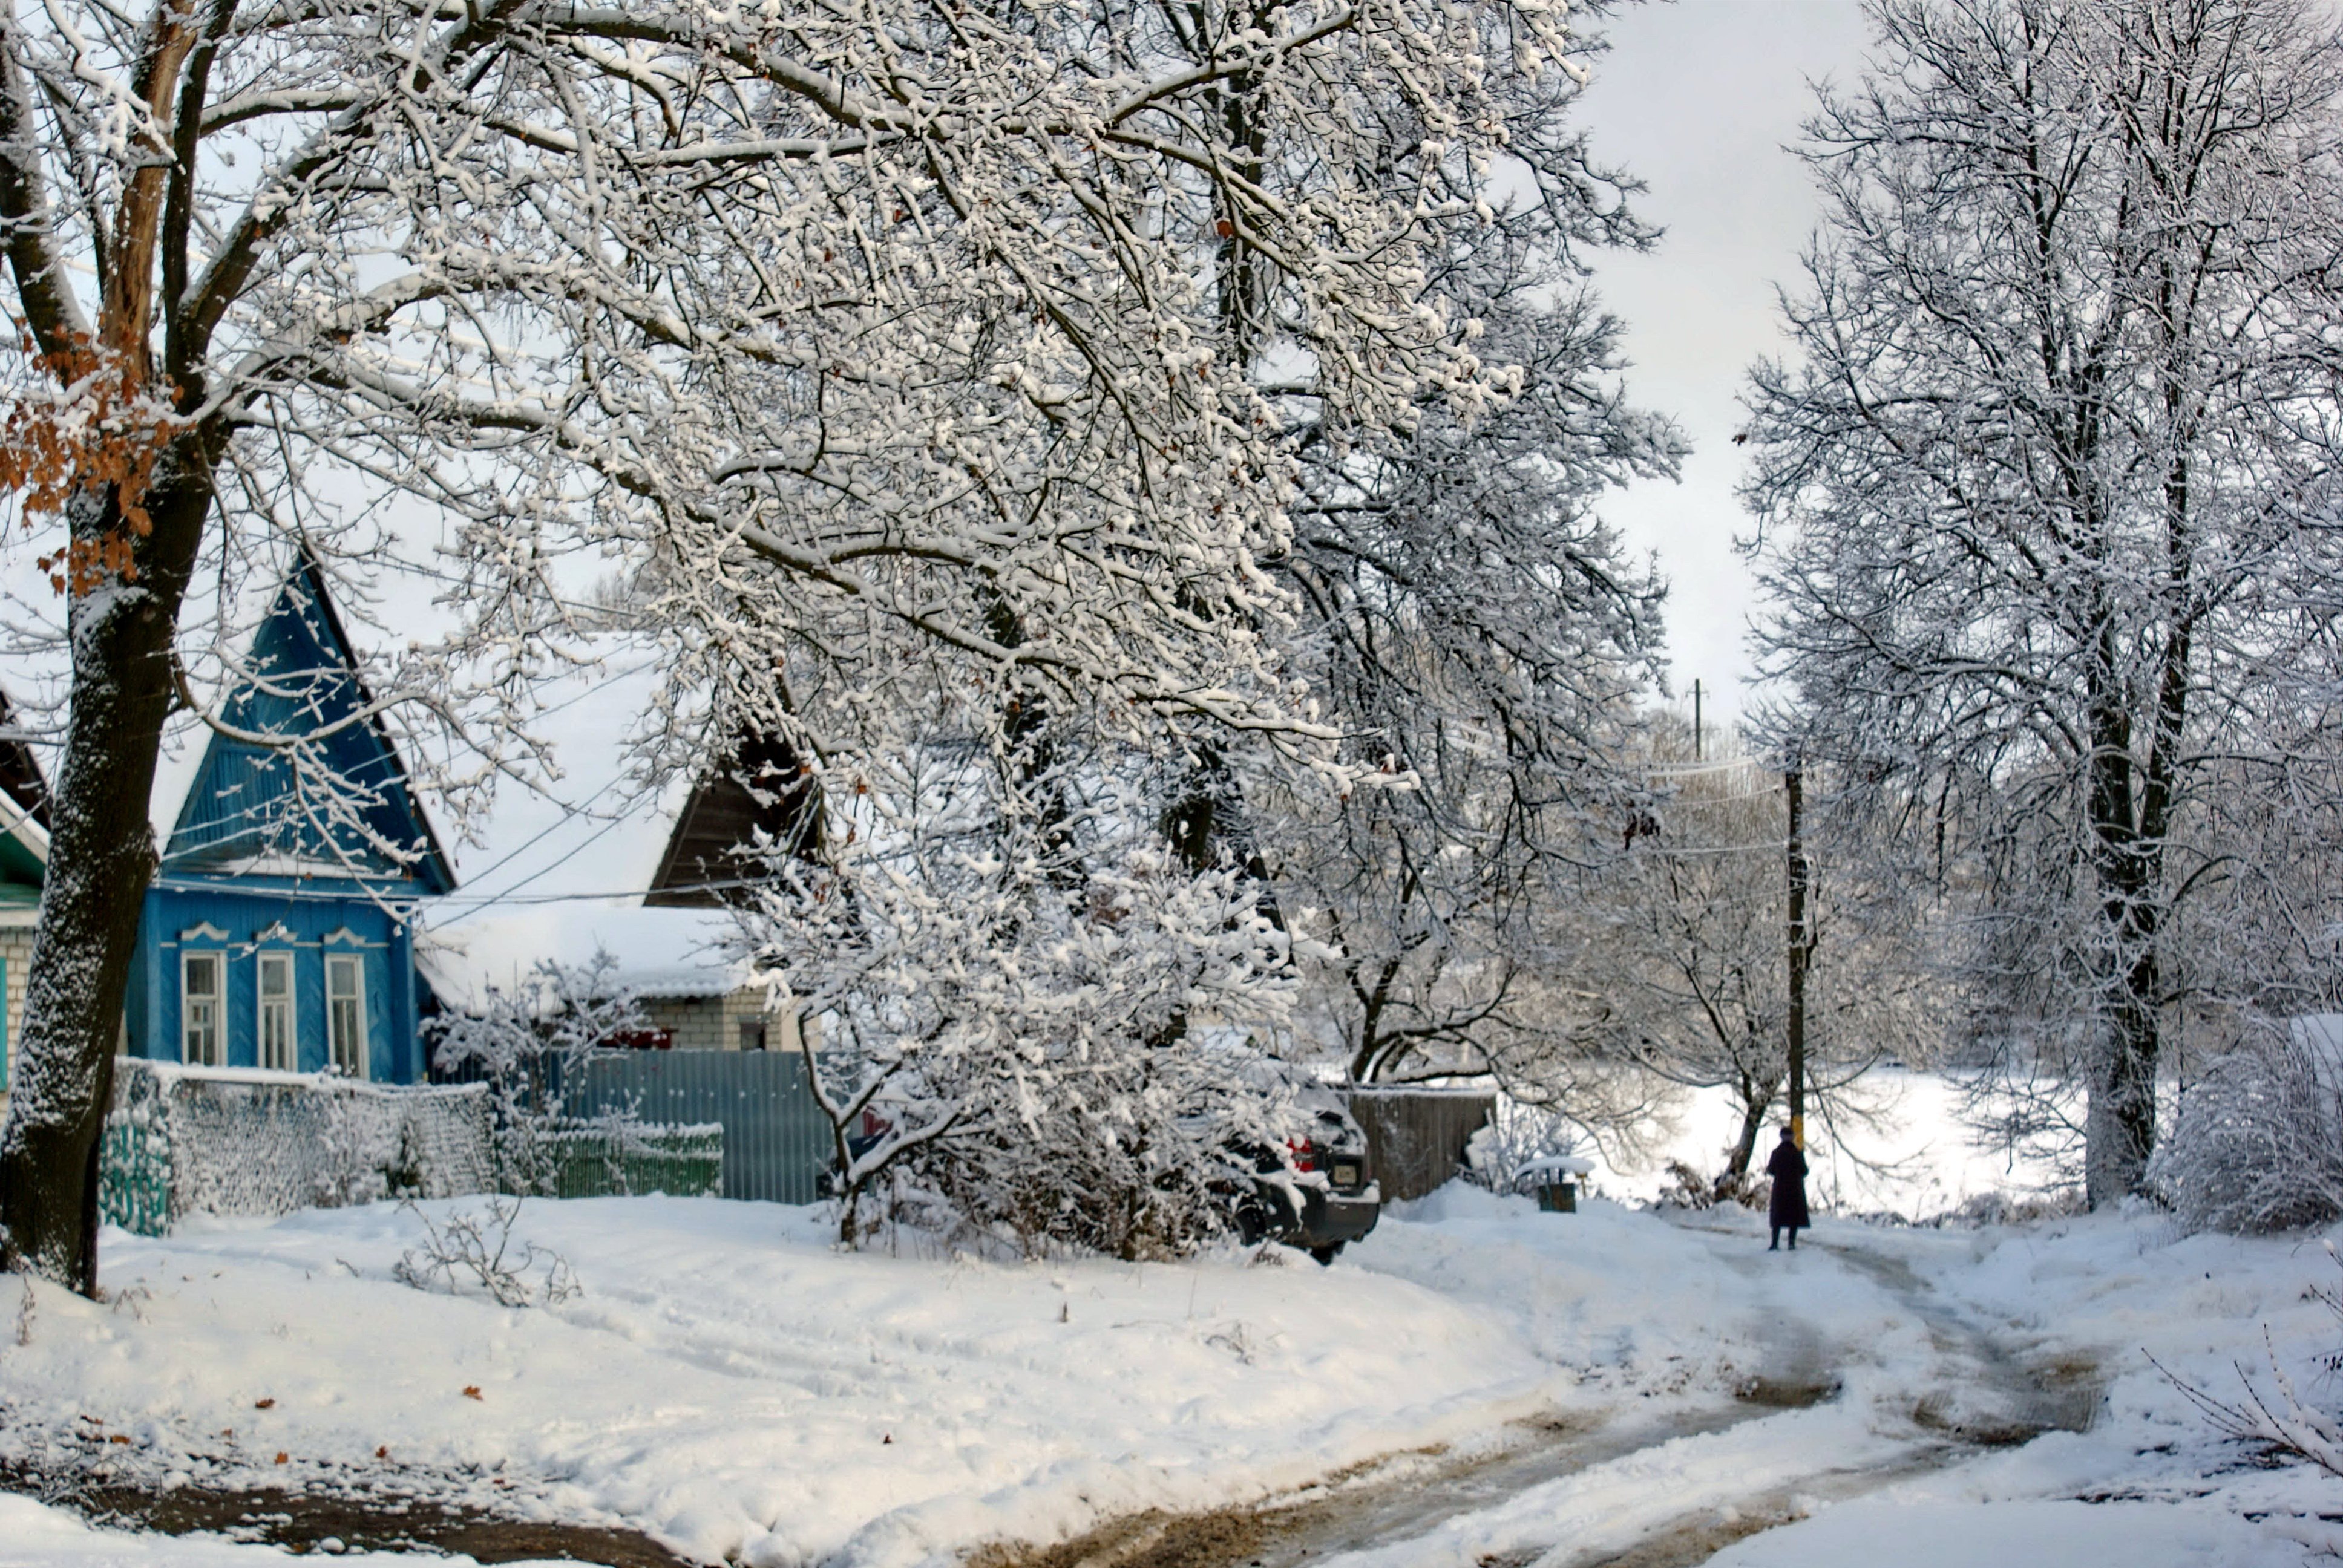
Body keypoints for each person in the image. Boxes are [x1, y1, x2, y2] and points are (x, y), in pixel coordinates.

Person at [1766, 1127, 1809, 1251]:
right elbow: (1805, 1171)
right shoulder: (1797, 1153)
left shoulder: (1776, 1153)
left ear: (1781, 1137)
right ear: (1793, 1137)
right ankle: (1791, 1243)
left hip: (1780, 1189)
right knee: (1793, 1217)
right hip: (1795, 1189)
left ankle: (1775, 1244)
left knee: (1778, 1217)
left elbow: (1770, 1170)